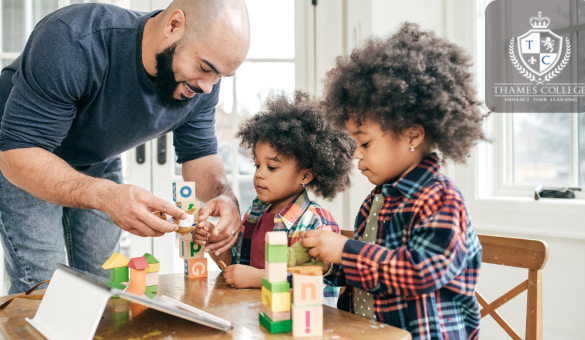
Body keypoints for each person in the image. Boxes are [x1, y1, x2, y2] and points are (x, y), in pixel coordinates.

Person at [0, 0, 249, 294]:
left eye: (219, 76)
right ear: (173, 25)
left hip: (96, 158)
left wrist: (226, 198)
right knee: (44, 289)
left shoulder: (203, 82)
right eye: (205, 68)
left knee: (106, 283)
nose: (208, 87)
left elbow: (201, 155)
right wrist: (105, 194)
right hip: (23, 152)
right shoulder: (73, 39)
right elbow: (17, 153)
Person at [300, 23, 488, 339]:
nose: (356, 155)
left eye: (366, 143)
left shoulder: (441, 199)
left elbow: (419, 272)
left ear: (412, 134)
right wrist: (331, 264)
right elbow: (372, 270)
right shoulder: (377, 200)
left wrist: (345, 249)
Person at [194, 92, 354, 301]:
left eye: (271, 167)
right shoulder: (255, 214)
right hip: (255, 315)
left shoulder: (316, 222)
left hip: (300, 323)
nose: (259, 173)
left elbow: (314, 279)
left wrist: (258, 278)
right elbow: (238, 266)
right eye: (257, 165)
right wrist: (216, 244)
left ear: (305, 175)